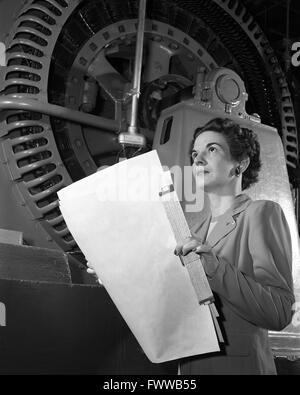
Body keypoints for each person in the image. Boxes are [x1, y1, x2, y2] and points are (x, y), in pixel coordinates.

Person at [175, 117, 295, 375]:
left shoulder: (261, 214)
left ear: (240, 164)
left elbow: (280, 311)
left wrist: (215, 268)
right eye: (195, 153)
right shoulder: (193, 233)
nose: (197, 159)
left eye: (212, 149)